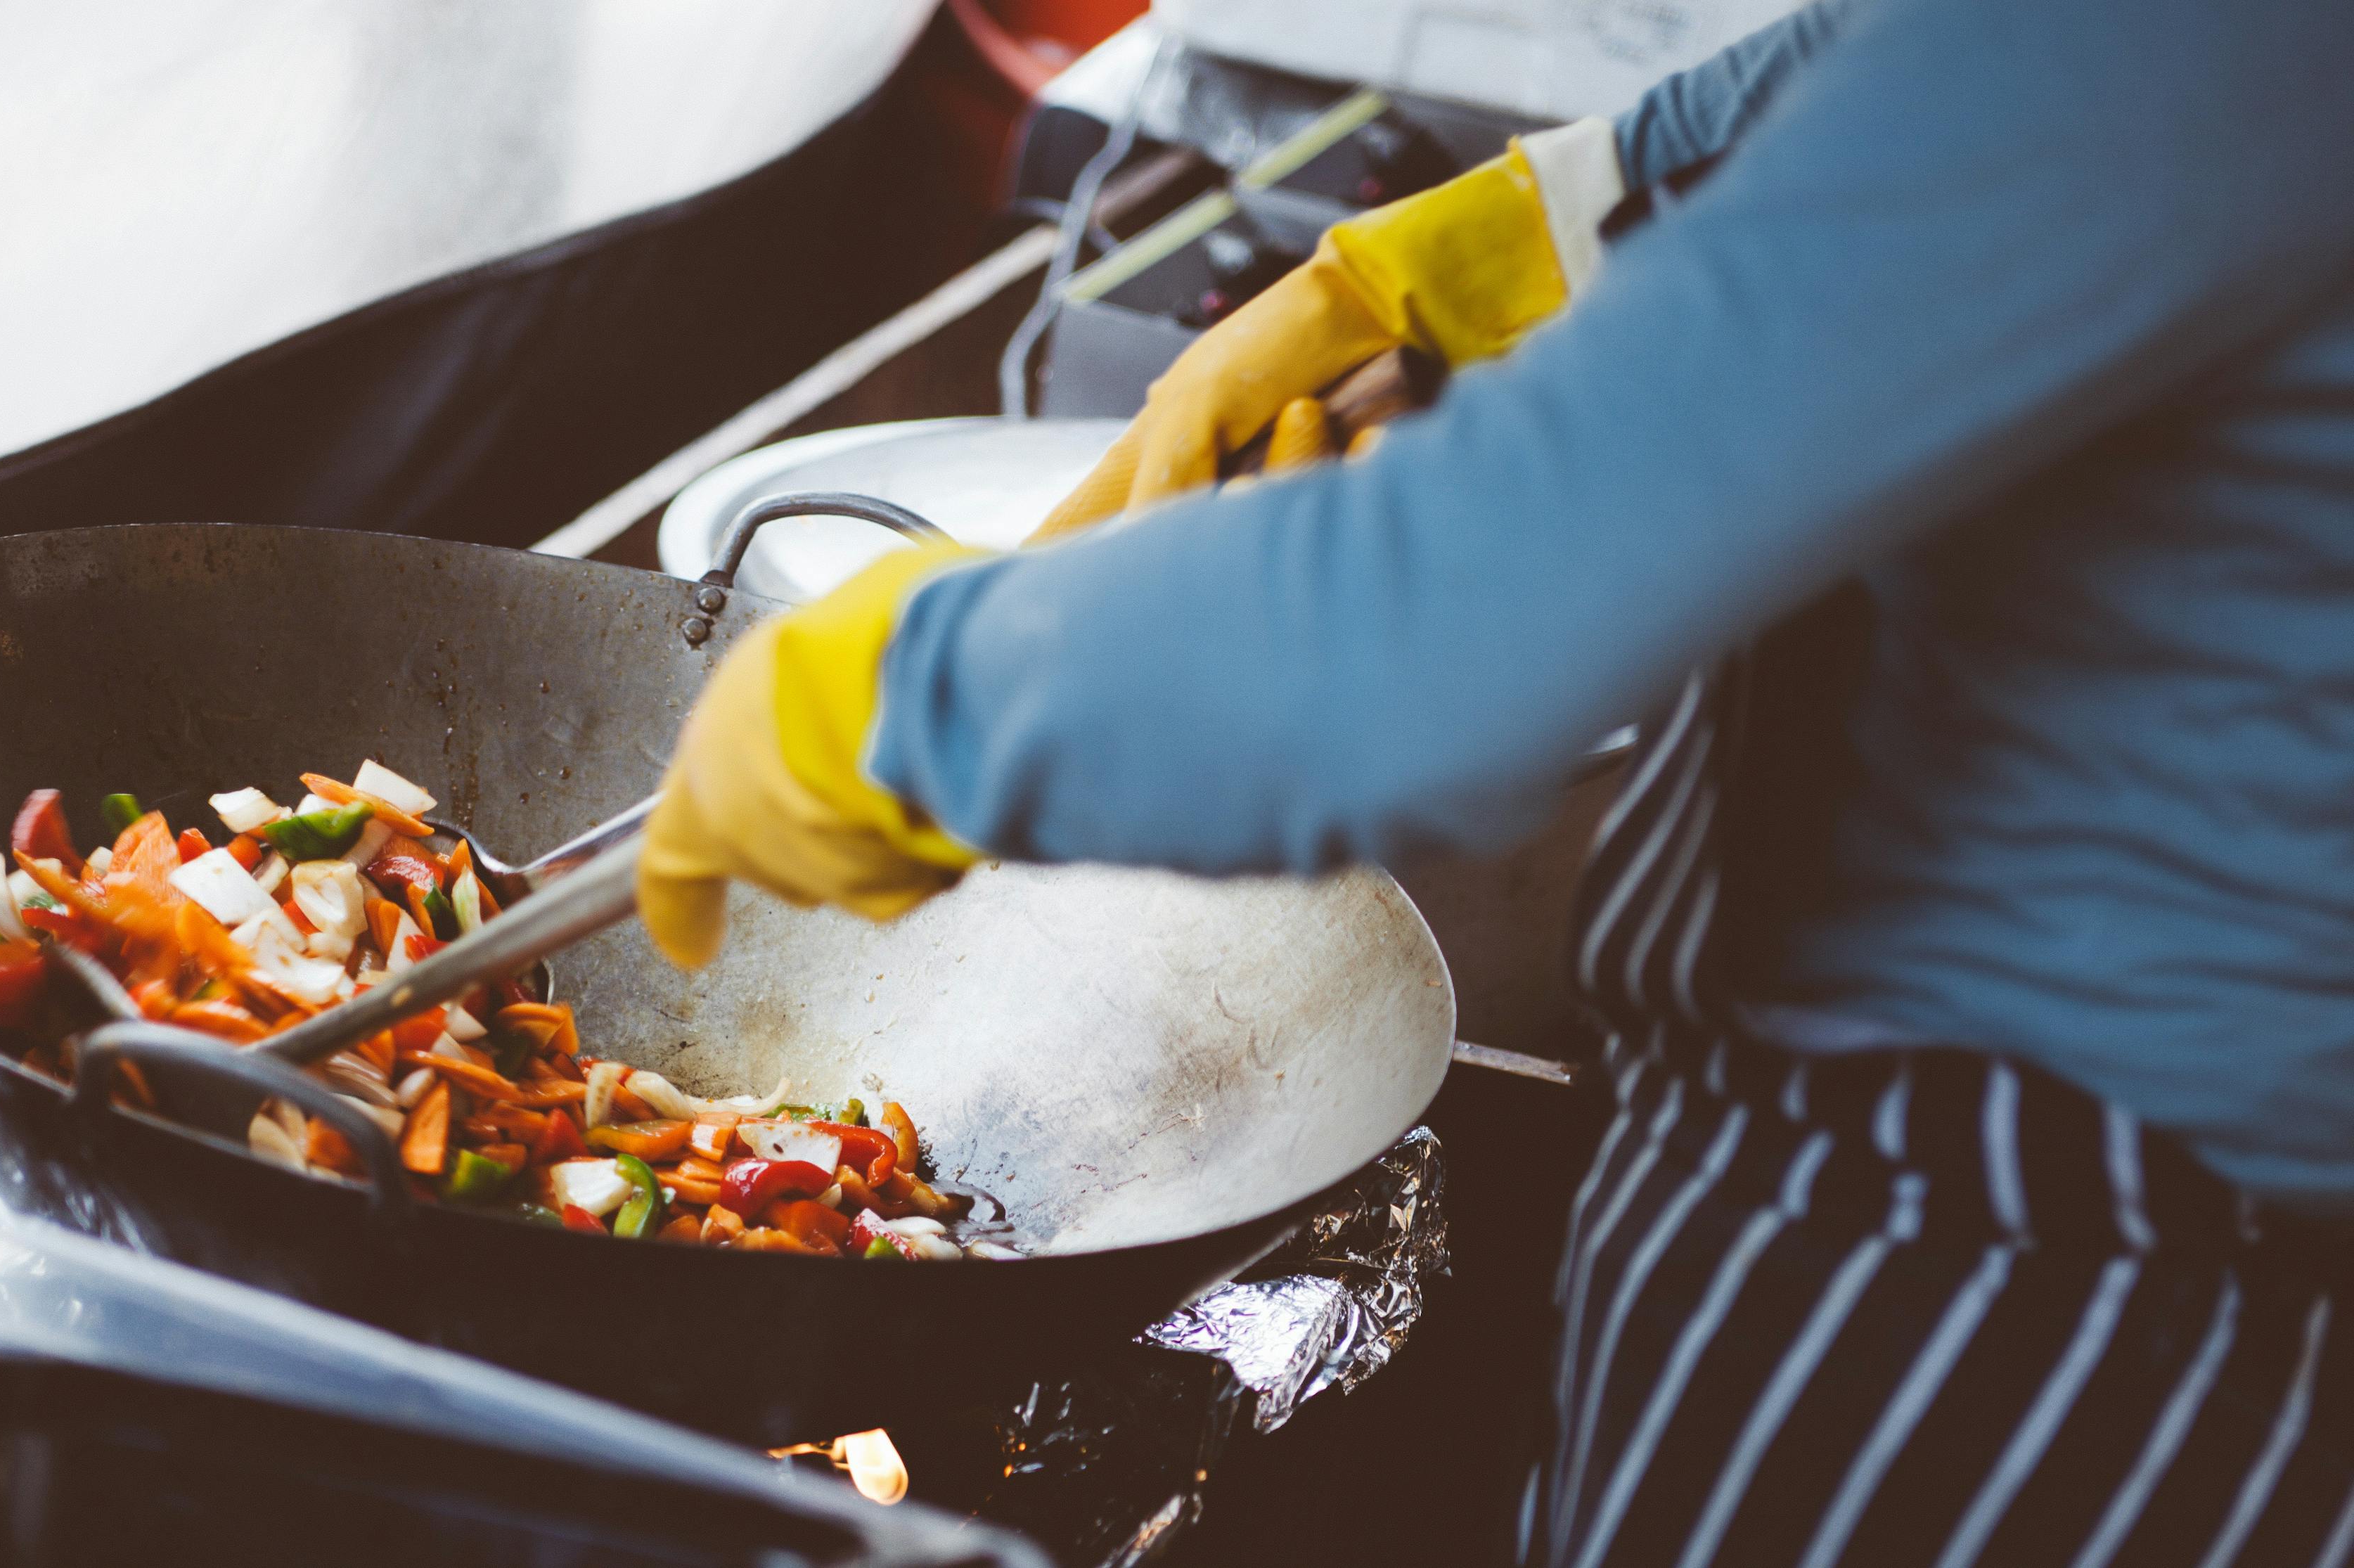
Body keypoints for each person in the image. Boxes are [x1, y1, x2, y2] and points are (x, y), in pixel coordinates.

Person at [636, 0, 2354, 1560]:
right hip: (2009, 1207)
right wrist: (1531, 229)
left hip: (2017, 1277)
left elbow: (1447, 632)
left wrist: (907, 695)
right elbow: (1914, 69)